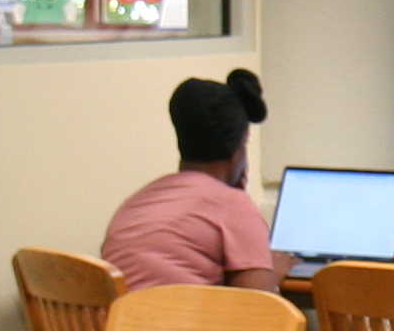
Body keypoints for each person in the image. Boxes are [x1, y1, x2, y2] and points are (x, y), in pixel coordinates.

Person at [101, 69, 279, 293]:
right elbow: (259, 309)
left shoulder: (138, 201)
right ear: (239, 147)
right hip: (180, 325)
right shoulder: (232, 206)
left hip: (121, 325)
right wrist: (274, 274)